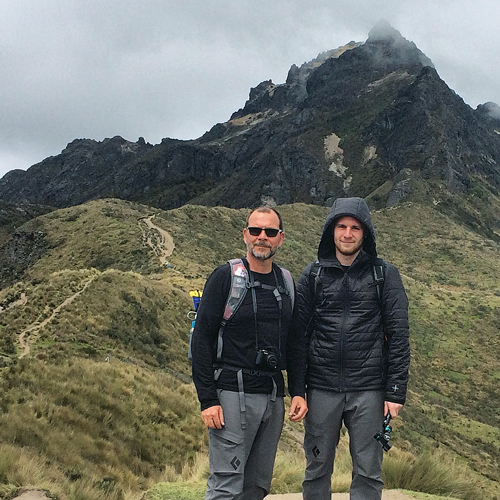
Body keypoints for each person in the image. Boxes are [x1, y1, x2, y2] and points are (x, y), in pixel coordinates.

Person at [191, 206, 308, 500]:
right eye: (255, 231)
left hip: (271, 396)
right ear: (245, 235)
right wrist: (208, 399)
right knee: (226, 483)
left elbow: (294, 343)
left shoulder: (286, 282)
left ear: (280, 238)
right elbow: (202, 339)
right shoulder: (225, 277)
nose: (262, 237)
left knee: (257, 486)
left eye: (270, 232)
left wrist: (297, 391)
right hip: (231, 394)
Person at [297, 197, 410, 500]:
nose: (348, 234)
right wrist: (297, 389)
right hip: (320, 389)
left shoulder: (385, 276)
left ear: (365, 233)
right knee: (317, 466)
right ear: (331, 231)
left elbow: (398, 335)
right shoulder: (312, 275)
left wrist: (395, 392)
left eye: (355, 228)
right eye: (342, 226)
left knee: (369, 471)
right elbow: (298, 336)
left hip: (370, 391)